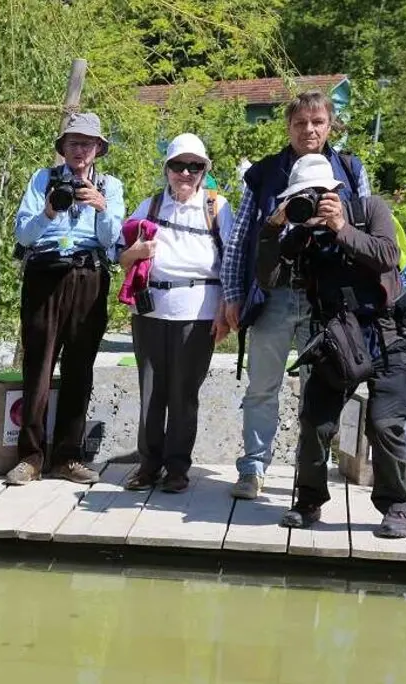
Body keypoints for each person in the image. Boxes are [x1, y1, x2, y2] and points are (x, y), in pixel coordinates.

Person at [221, 91, 372, 500]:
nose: (309, 130)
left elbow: (367, 231)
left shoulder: (350, 169)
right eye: (300, 122)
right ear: (288, 127)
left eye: (317, 122)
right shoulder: (265, 173)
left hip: (325, 297)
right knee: (261, 387)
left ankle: (309, 478)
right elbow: (240, 238)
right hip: (273, 294)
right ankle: (253, 468)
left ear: (330, 125)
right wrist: (233, 293)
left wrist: (337, 220)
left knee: (317, 393)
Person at [255, 154, 406, 537]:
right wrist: (272, 230)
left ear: (336, 190)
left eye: (319, 193)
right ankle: (308, 501)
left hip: (387, 334)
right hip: (337, 338)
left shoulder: (369, 210)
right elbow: (268, 278)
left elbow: (387, 256)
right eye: (303, 195)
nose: (312, 200)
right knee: (315, 422)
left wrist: (340, 226)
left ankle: (396, 507)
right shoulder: (303, 234)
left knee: (384, 424)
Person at [5, 112, 126, 486]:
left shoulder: (110, 186)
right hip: (45, 274)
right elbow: (23, 235)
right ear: (63, 147)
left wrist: (101, 207)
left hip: (89, 275)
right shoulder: (42, 180)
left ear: (98, 149)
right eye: (73, 143)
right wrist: (49, 210)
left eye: (87, 144)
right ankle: (30, 457)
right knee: (38, 366)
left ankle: (68, 457)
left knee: (80, 367)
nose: (80, 150)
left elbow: (112, 240)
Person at [117, 134, 233, 492]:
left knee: (184, 393)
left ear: (203, 171)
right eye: (179, 165)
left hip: (199, 311)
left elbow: (232, 263)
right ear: (167, 168)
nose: (185, 173)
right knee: (151, 391)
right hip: (150, 309)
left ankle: (178, 467)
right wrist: (137, 253)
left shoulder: (218, 207)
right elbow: (121, 257)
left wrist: (225, 311)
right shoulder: (150, 205)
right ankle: (148, 465)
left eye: (194, 166)